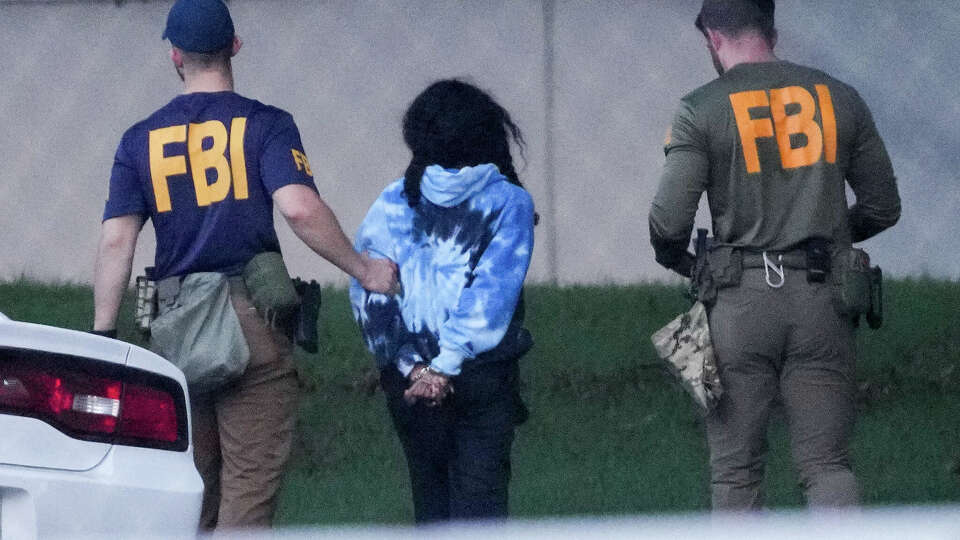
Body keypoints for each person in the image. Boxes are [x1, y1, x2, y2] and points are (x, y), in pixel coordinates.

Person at [91, 0, 397, 531]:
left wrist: (102, 335)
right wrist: (365, 270)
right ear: (235, 46)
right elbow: (300, 207)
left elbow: (117, 242)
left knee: (190, 493)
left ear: (175, 56)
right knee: (248, 495)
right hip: (251, 321)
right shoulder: (266, 125)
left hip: (174, 332)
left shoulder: (139, 139)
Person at [648, 0, 900, 510]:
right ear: (772, 29)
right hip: (822, 299)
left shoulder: (702, 108)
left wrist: (694, 265)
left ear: (713, 39)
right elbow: (882, 205)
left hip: (738, 305)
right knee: (827, 464)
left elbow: (667, 224)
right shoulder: (840, 98)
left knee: (736, 474)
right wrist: (825, 237)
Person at [349, 79, 535, 523]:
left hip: (408, 383)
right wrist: (445, 366)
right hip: (482, 377)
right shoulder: (510, 202)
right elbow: (492, 295)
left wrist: (413, 366)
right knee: (482, 510)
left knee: (429, 507)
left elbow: (368, 294)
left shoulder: (392, 201)